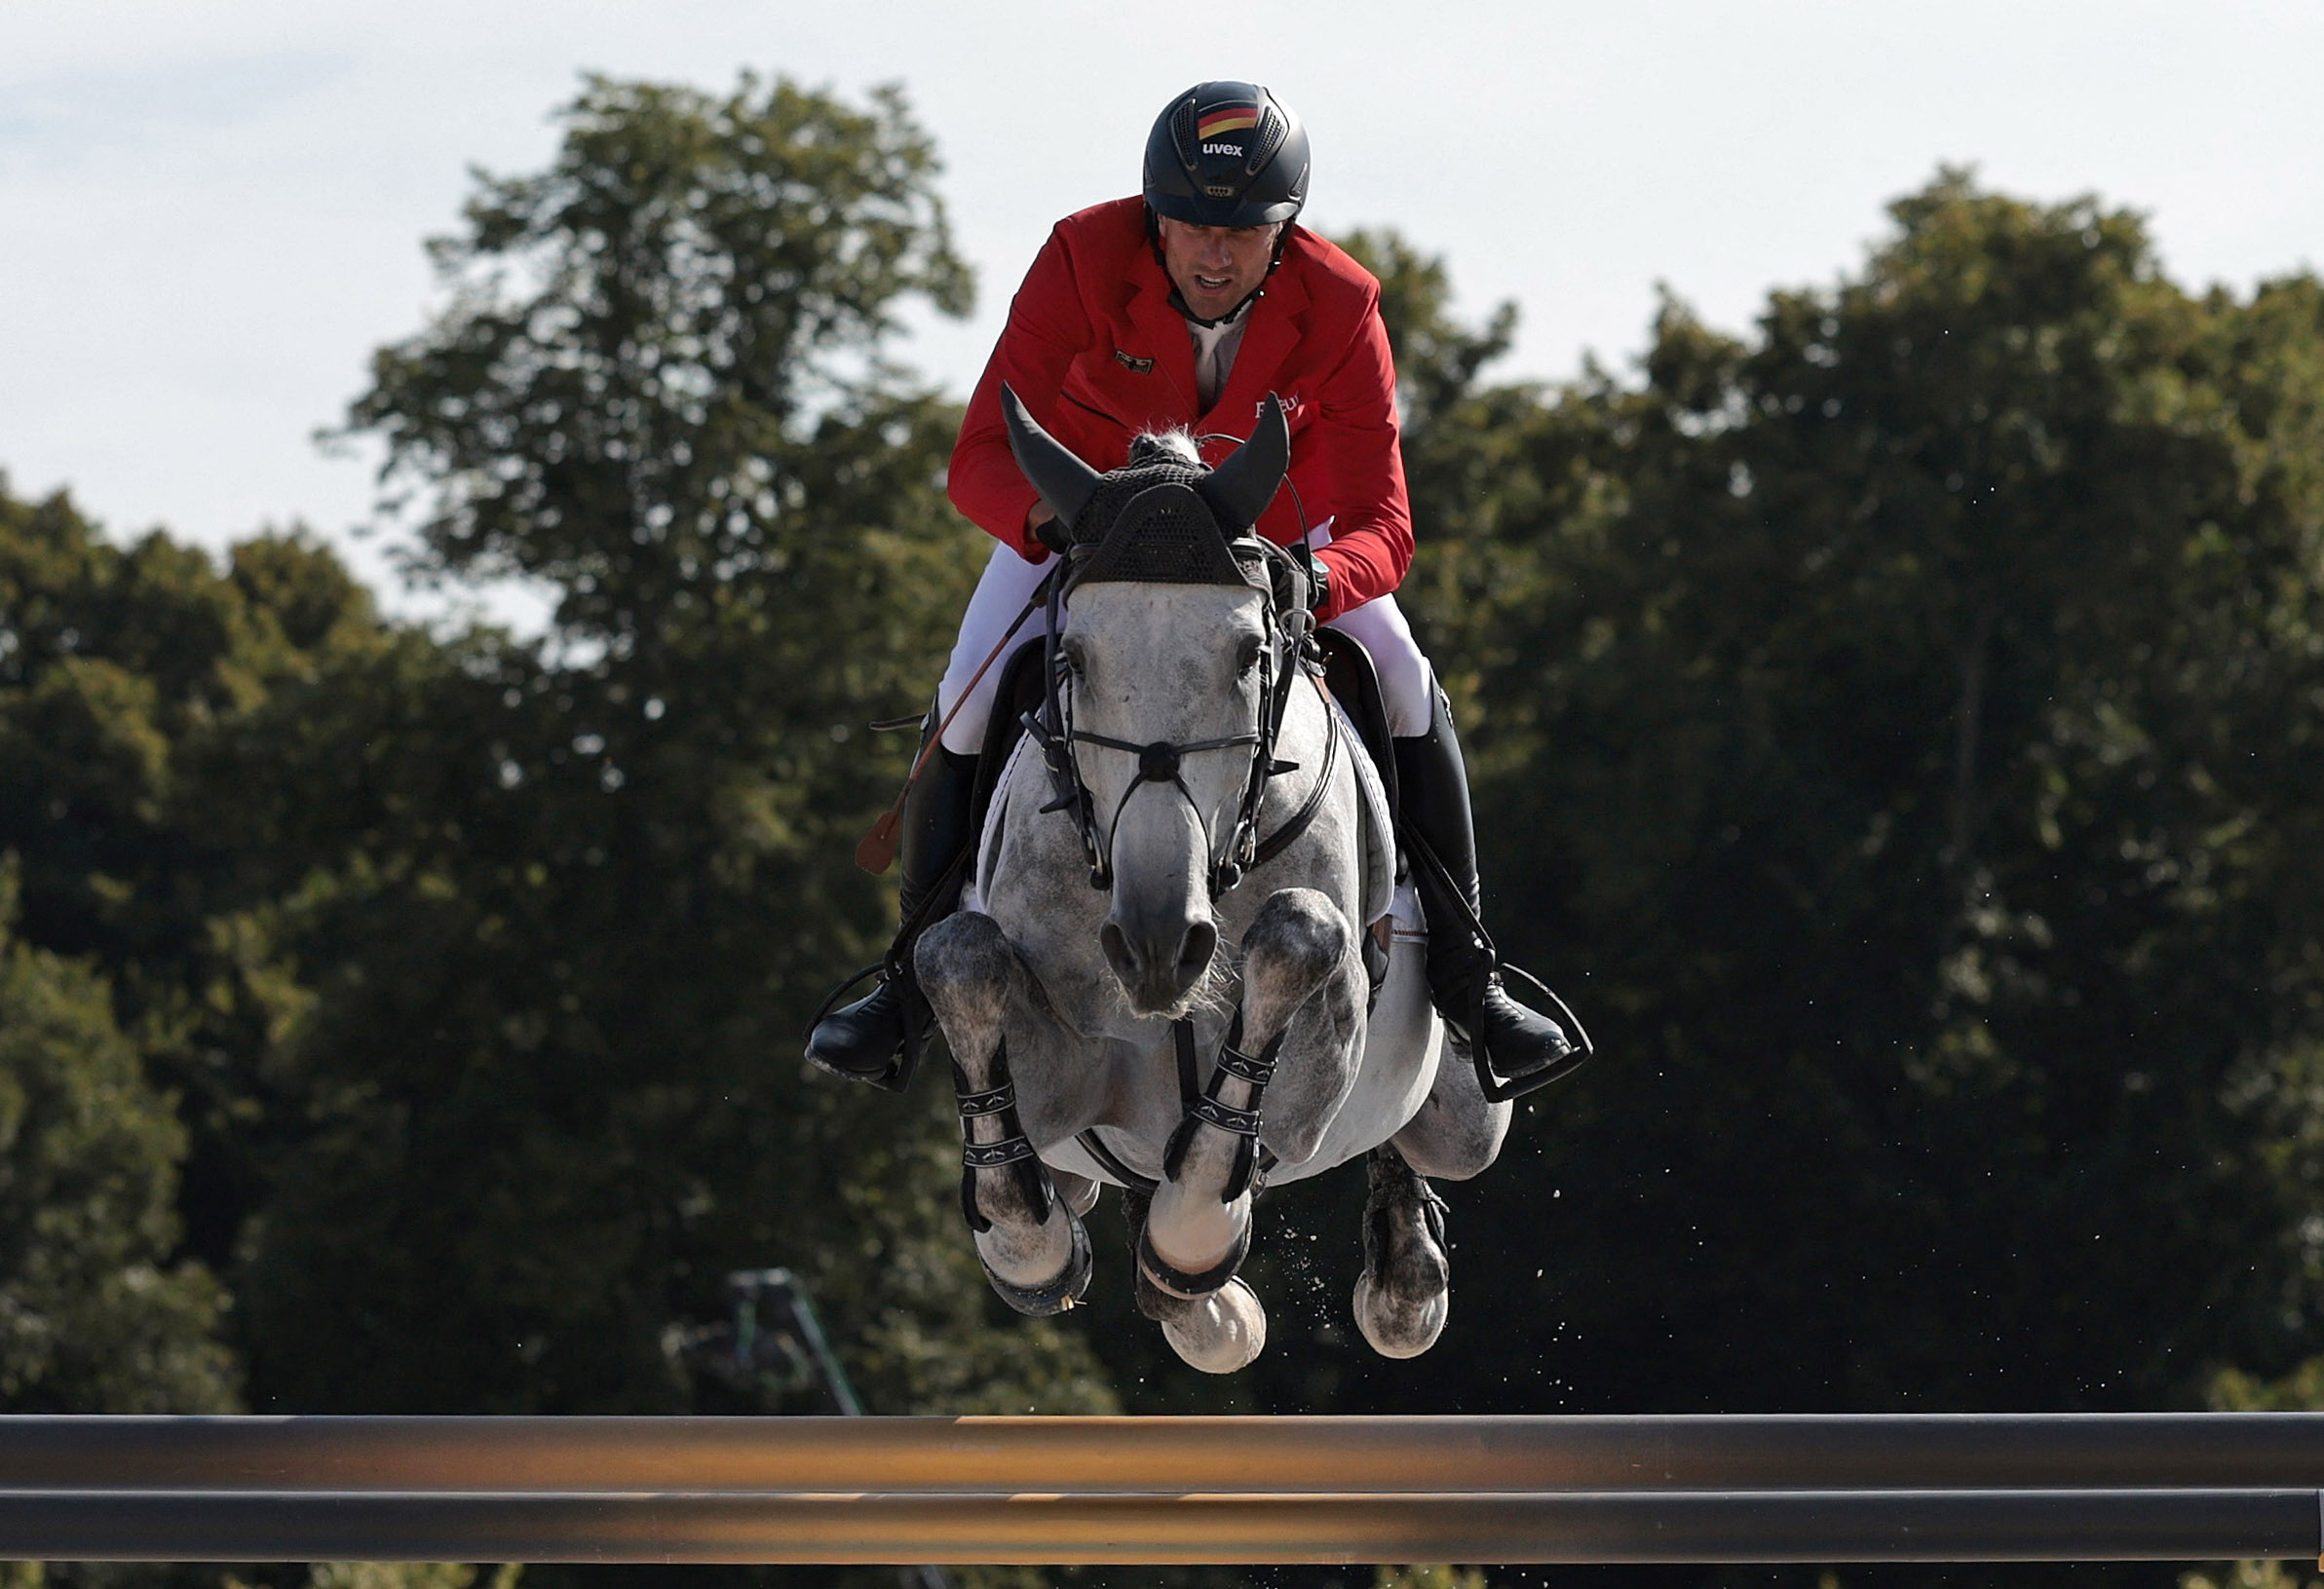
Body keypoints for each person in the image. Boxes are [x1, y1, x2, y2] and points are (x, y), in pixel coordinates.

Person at [808, 80, 1573, 1089]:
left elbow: (1387, 521)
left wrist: (1318, 577)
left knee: (1401, 676)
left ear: (1284, 229)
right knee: (967, 695)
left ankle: (1472, 983)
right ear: (1152, 215)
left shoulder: (1343, 303)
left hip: (1269, 543)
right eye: (1190, 226)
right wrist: (1064, 524)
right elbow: (981, 456)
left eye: (1244, 232)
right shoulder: (1081, 258)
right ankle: (906, 987)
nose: (1215, 254)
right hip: (1092, 531)